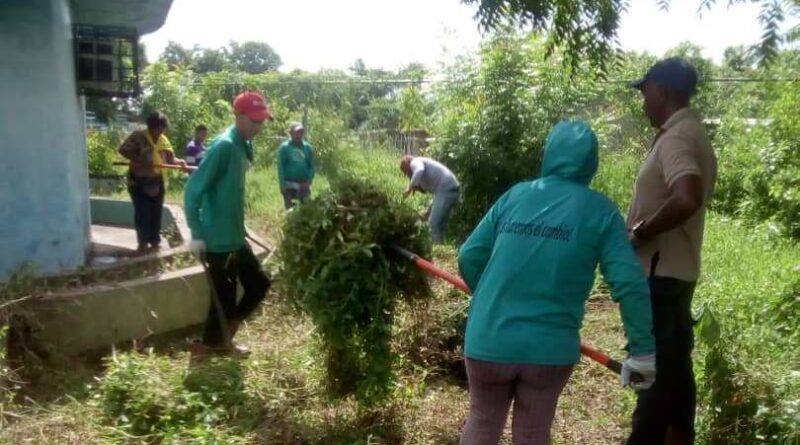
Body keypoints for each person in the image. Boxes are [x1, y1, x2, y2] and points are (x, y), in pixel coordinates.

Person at [457, 121, 656, 445]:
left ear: (548, 155)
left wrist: (491, 297)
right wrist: (643, 352)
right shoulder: (601, 212)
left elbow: (468, 256)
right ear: (592, 163)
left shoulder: (516, 196)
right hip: (549, 350)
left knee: (482, 423)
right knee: (534, 432)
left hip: (489, 340)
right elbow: (630, 283)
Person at [626, 58, 717, 445]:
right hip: (675, 273)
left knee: (653, 374)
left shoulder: (678, 137)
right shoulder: (688, 132)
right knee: (676, 369)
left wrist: (642, 232)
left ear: (661, 89)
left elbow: (687, 197)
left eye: (644, 91)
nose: (643, 101)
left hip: (659, 276)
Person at [184, 91, 274, 356]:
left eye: (261, 122)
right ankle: (214, 344)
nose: (258, 127)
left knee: (259, 285)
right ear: (238, 117)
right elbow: (192, 192)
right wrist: (197, 234)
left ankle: (219, 337)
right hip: (217, 240)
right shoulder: (224, 146)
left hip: (234, 236)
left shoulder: (241, 144)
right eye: (253, 121)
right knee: (223, 298)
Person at [118, 112, 186, 254]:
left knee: (156, 213)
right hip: (139, 181)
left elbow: (170, 159)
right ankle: (142, 243)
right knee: (143, 213)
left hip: (157, 182)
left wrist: (181, 162)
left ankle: (155, 242)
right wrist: (138, 159)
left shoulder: (163, 140)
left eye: (162, 129)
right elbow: (123, 149)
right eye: (156, 128)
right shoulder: (138, 136)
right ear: (150, 126)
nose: (159, 131)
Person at [399, 155, 460, 244]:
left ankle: (437, 251)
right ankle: (441, 249)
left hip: (446, 189)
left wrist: (410, 187)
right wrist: (428, 211)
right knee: (440, 225)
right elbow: (433, 193)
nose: (408, 174)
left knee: (433, 224)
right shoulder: (422, 163)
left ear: (407, 165)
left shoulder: (414, 162)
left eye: (406, 171)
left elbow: (419, 170)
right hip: (448, 189)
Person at [277, 122, 315, 209]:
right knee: (290, 210)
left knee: (306, 209)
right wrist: (282, 185)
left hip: (304, 184)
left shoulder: (308, 148)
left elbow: (311, 166)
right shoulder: (284, 148)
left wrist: (309, 181)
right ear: (290, 133)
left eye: (301, 132)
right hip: (289, 184)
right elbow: (280, 167)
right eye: (296, 133)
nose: (299, 135)